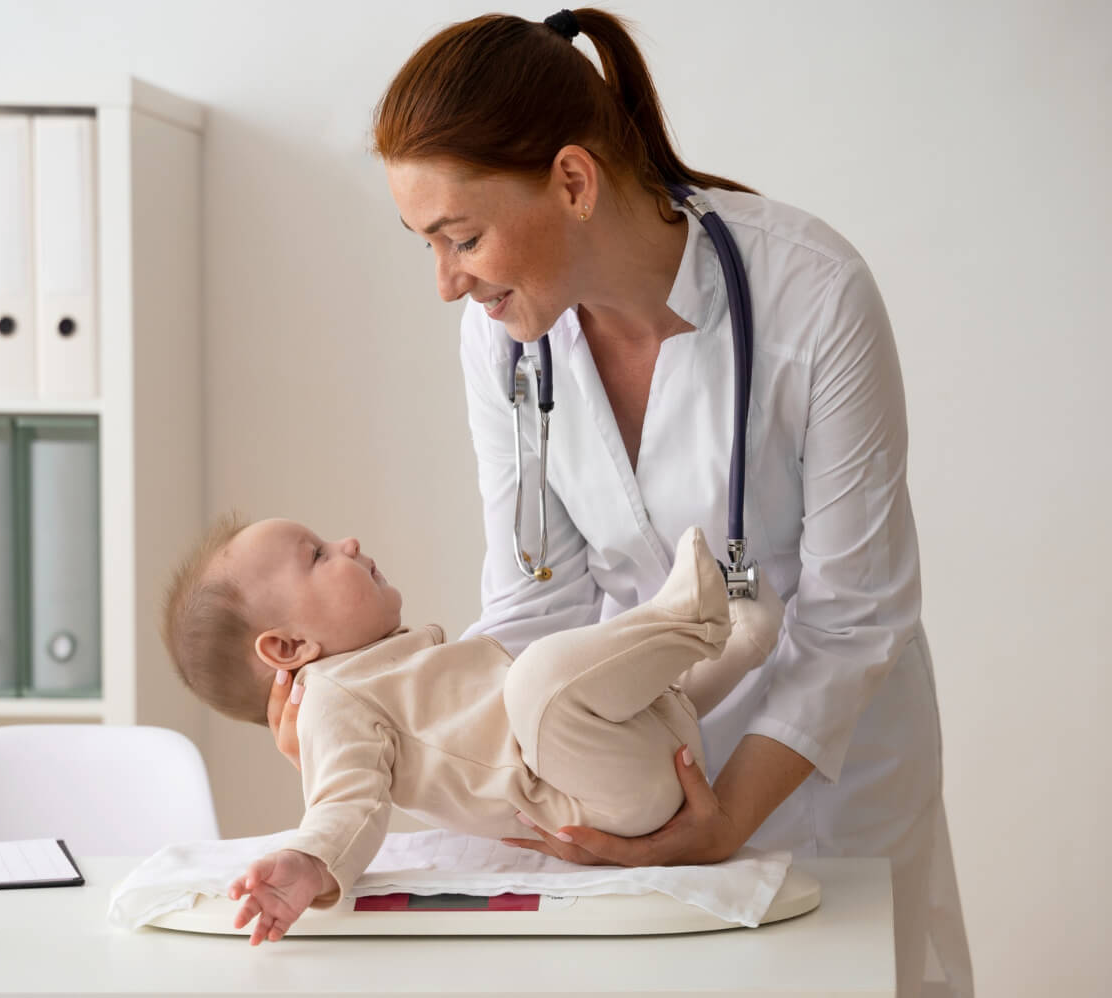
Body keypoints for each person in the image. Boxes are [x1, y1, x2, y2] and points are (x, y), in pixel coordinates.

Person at [262, 9, 972, 995]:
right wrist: (375, 713)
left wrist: (724, 815)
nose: (444, 282)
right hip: (617, 753)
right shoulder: (507, 337)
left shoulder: (813, 297)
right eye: (426, 242)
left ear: (572, 179)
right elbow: (538, 598)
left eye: (460, 237)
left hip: (819, 769)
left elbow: (855, 617)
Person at [162, 515, 783, 944]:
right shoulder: (332, 699)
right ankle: (694, 621)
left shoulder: (389, 666)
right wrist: (307, 861)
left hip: (627, 760)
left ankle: (740, 639)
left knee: (555, 684)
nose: (347, 542)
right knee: (538, 683)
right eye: (318, 555)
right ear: (290, 645)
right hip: (600, 800)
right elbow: (345, 803)